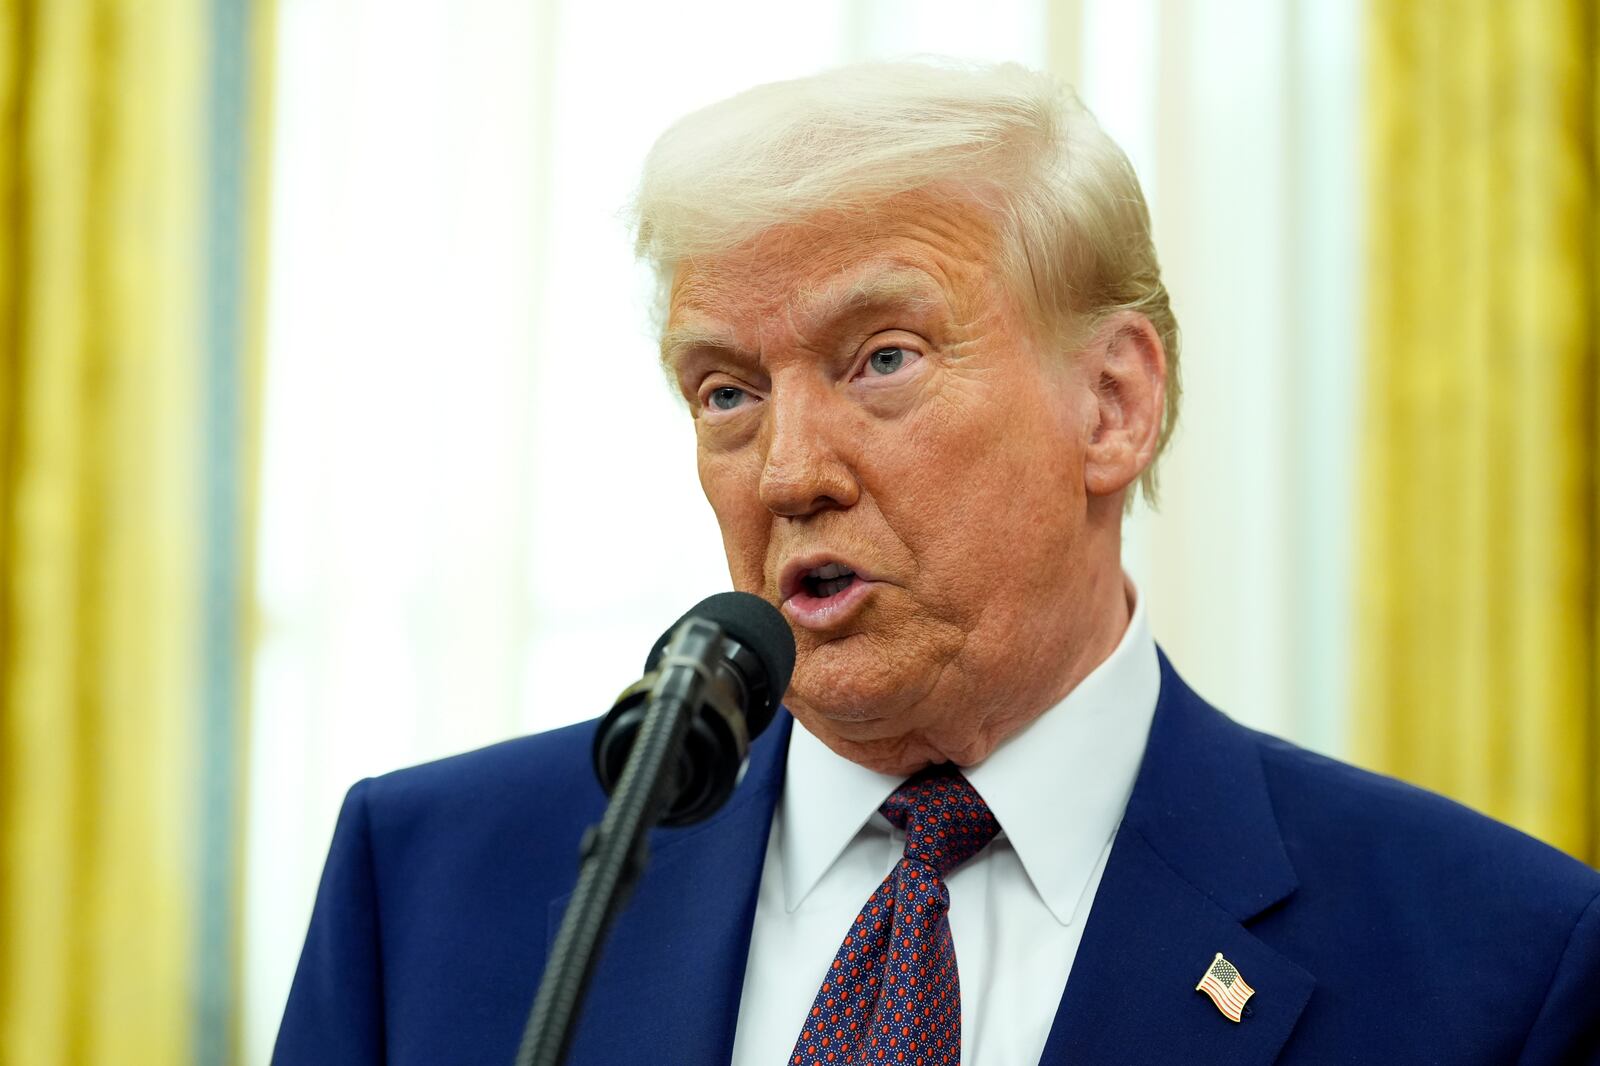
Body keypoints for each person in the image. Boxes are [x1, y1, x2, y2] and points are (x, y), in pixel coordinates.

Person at [274, 61, 1600, 1065]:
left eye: (883, 360)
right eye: (727, 390)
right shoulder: (432, 887)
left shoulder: (1497, 963)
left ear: (1113, 403)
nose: (789, 469)